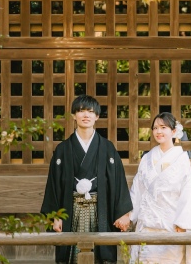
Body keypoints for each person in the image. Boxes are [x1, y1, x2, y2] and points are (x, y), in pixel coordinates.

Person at [41, 95, 133, 264]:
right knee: (71, 256)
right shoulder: (63, 149)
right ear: (74, 115)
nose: (86, 115)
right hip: (71, 210)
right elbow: (53, 185)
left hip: (101, 210)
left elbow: (118, 181)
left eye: (90, 112)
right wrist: (55, 216)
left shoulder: (107, 148)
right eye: (81, 111)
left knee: (101, 255)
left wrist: (123, 213)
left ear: (97, 116)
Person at [129, 112, 191, 264]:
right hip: (147, 225)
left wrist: (184, 223)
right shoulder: (147, 158)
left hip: (171, 225)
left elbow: (188, 194)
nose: (158, 131)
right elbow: (137, 190)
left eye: (163, 127)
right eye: (155, 128)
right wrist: (129, 216)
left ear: (174, 131)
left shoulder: (182, 160)